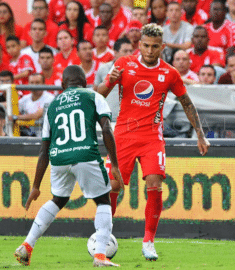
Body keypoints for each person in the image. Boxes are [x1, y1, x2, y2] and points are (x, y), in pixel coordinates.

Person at [98, 23, 210, 260]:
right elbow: (98, 95)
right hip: (124, 135)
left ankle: (148, 241)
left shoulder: (169, 73)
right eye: (146, 46)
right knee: (114, 187)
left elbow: (186, 102)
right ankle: (103, 235)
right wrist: (110, 81)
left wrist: (200, 134)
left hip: (151, 137)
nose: (149, 51)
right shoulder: (123, 64)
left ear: (163, 47)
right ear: (140, 45)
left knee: (154, 184)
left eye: (154, 47)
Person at [14, 65, 123, 267]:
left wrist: (36, 186)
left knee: (58, 199)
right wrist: (114, 163)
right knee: (103, 200)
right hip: (85, 155)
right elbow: (106, 128)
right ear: (84, 82)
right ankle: (100, 255)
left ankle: (27, 245)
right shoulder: (92, 96)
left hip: (59, 159)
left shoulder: (52, 106)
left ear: (63, 84)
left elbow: (43, 149)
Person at [94, 37, 133, 121]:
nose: (129, 54)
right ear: (115, 52)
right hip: (107, 118)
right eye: (125, 51)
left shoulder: (136, 70)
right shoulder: (103, 68)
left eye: (131, 51)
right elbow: (95, 93)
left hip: (129, 119)